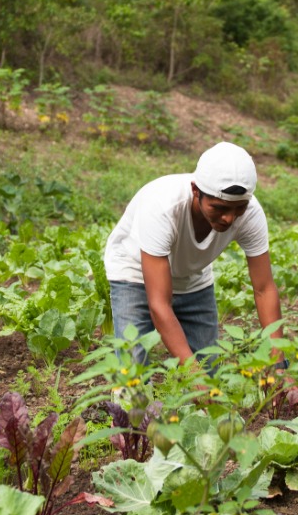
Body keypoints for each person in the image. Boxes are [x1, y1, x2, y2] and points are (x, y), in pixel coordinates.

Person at [103, 141, 283, 363]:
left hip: (192, 277)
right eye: (219, 208)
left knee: (209, 370)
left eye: (239, 208)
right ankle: (129, 396)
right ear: (196, 190)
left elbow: (264, 289)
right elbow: (159, 304)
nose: (229, 217)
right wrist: (191, 370)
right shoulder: (163, 206)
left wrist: (278, 364)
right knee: (132, 372)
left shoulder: (251, 214)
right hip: (134, 273)